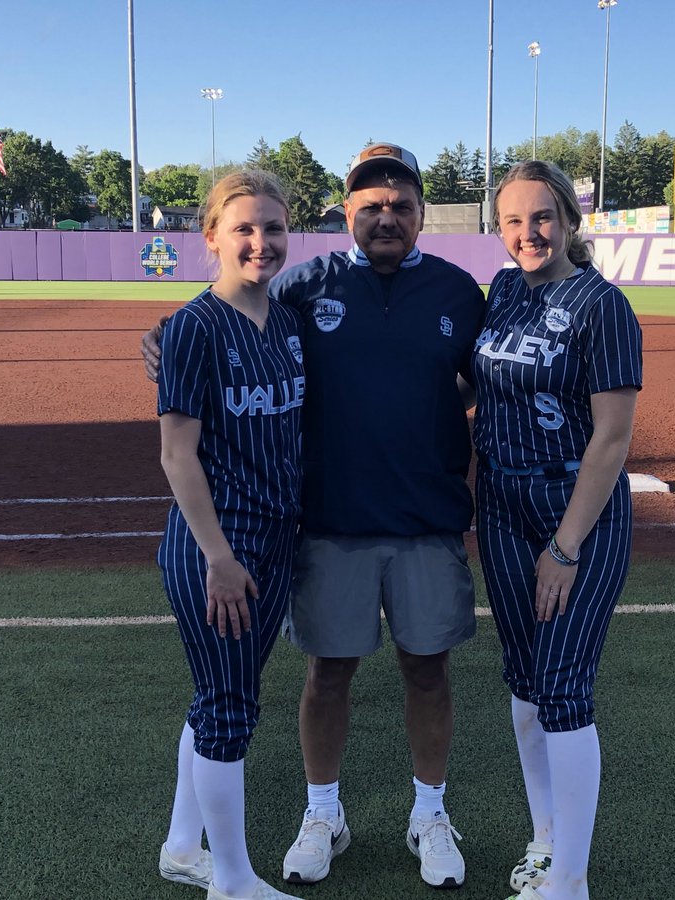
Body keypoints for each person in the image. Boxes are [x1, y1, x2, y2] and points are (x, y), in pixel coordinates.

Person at [143, 143, 485, 890]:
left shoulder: (460, 293)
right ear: (347, 212)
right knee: (326, 674)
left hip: (426, 522)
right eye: (370, 206)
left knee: (428, 672)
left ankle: (429, 813)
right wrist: (164, 343)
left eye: (400, 204)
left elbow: (481, 380)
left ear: (422, 212)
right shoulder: (302, 288)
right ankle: (323, 812)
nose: (385, 216)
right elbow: (222, 323)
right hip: (330, 524)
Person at [471, 161, 642, 900]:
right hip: (501, 506)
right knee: (525, 680)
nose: (527, 233)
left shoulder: (603, 306)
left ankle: (569, 880)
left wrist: (565, 548)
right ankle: (545, 842)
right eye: (512, 220)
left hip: (575, 512)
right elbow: (470, 382)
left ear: (570, 221)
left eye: (541, 217)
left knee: (565, 689)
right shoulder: (503, 289)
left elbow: (611, 439)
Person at [154, 170, 306, 900]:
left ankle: (185, 849)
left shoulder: (287, 322)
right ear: (210, 236)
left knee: (217, 693)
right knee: (229, 710)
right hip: (220, 546)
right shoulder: (191, 327)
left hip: (275, 539)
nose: (260, 241)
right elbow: (177, 454)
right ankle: (235, 882)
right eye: (243, 228)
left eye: (272, 228)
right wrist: (217, 557)